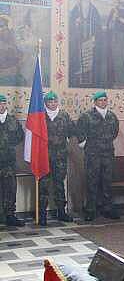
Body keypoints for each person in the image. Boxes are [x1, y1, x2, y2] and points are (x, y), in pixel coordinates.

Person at [76, 91, 120, 221]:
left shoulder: (112, 116)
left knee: (107, 181)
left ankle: (107, 208)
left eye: (105, 100)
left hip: (107, 153)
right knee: (92, 181)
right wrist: (88, 145)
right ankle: (90, 209)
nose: (103, 102)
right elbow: (80, 131)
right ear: (95, 102)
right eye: (100, 100)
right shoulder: (87, 116)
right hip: (92, 154)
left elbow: (115, 132)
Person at [39, 91, 76, 226]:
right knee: (43, 185)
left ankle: (61, 212)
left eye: (54, 101)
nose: (52, 104)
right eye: (50, 102)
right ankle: (42, 214)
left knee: (59, 184)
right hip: (44, 157)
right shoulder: (40, 116)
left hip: (60, 156)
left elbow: (72, 131)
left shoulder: (64, 115)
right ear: (46, 103)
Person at [69, 0, 103, 87]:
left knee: (90, 62)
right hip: (78, 41)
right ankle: (77, 83)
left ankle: (91, 84)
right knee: (78, 61)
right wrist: (76, 22)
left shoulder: (93, 9)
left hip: (90, 41)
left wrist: (95, 37)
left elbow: (98, 26)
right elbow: (70, 23)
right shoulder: (76, 8)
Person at [0, 95, 24, 226]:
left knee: (10, 188)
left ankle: (10, 215)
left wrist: (8, 146)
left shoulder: (13, 121)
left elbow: (20, 136)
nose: (1, 106)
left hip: (8, 162)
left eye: (3, 104)